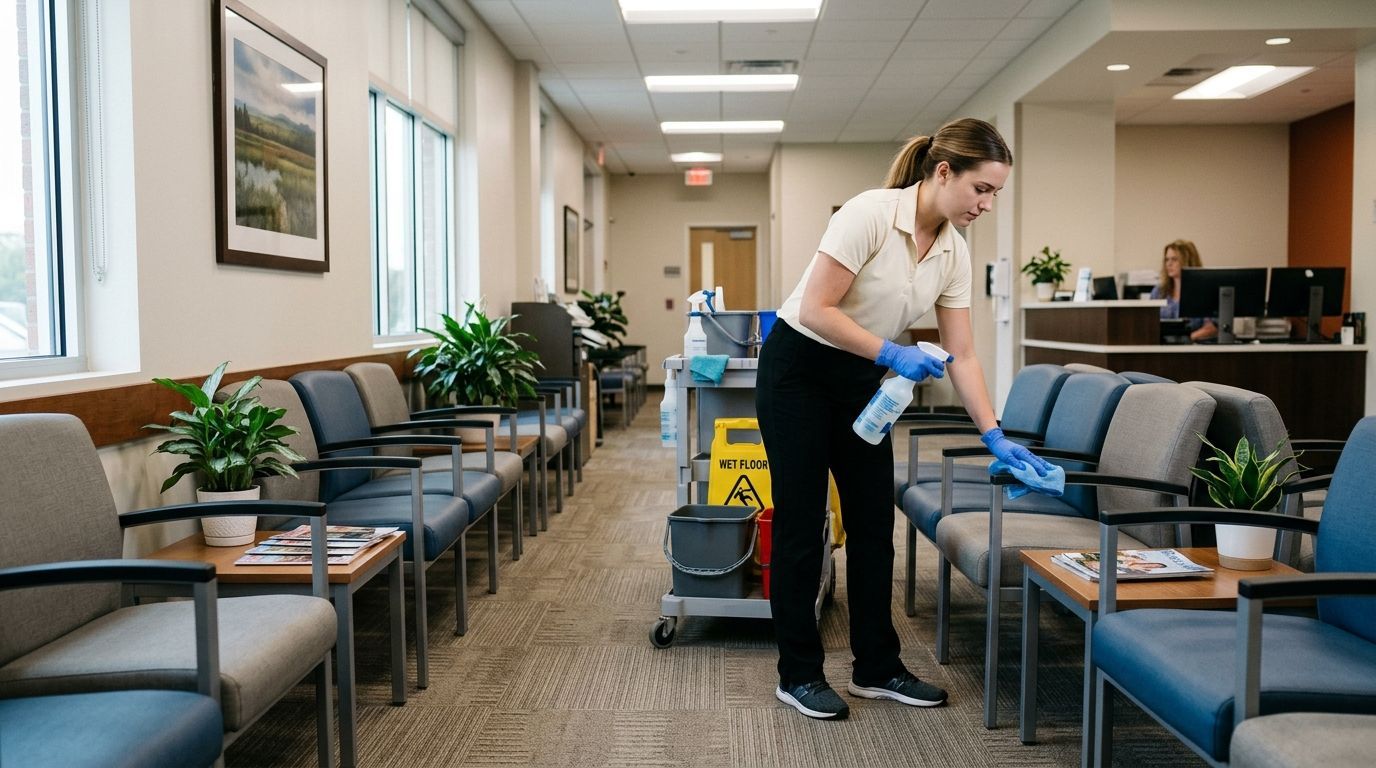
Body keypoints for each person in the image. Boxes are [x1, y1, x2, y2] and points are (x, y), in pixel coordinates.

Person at [757, 117, 1056, 721]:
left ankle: (876, 666)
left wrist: (993, 433)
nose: (988, 204)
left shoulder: (953, 251)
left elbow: (963, 353)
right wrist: (893, 352)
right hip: (798, 370)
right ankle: (799, 673)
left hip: (860, 383)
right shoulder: (870, 213)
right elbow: (815, 308)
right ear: (943, 172)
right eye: (981, 189)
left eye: (996, 193)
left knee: (873, 526)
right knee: (800, 520)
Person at [1150, 240, 1217, 342]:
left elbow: (1212, 328)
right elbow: (1149, 325)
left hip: (1195, 349)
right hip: (1163, 349)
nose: (1169, 263)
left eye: (1174, 259)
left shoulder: (1203, 291)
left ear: (1187, 261)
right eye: (1167, 259)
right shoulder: (1158, 292)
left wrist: (1186, 339)